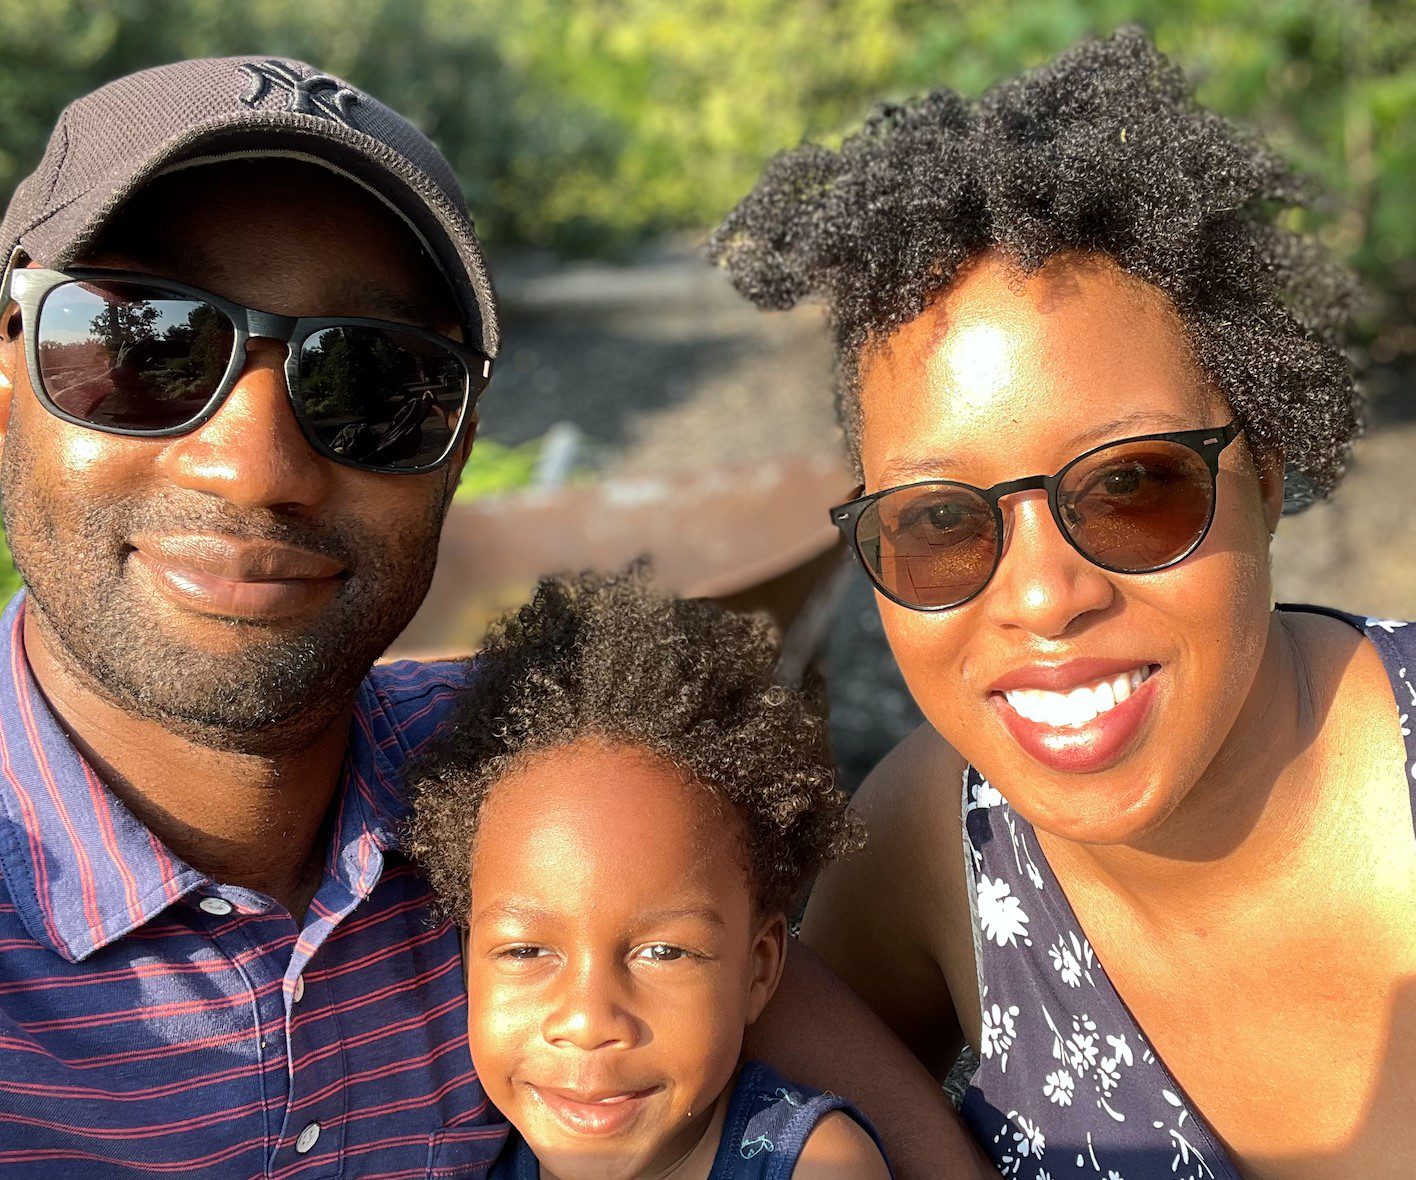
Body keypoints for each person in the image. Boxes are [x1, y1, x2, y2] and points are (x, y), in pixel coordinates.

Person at [0, 57, 984, 1180]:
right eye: (147, 344)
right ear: (9, 372)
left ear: (457, 450)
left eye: (370, 382)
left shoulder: (540, 790)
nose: (253, 467)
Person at [712, 26, 1414, 1180]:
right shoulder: (933, 844)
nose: (1044, 597)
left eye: (1134, 486)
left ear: (1268, 473)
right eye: (940, 522)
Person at [404, 567, 892, 1179]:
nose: (588, 1023)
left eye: (664, 952)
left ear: (759, 969)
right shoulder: (458, 1146)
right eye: (526, 950)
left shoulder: (818, 1168)